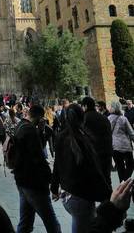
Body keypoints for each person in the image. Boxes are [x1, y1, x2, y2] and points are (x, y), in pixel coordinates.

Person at [51, 103, 111, 233]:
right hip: (81, 196)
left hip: (66, 194)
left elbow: (57, 164)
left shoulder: (61, 137)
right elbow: (94, 170)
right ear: (82, 118)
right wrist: (108, 193)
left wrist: (54, 188)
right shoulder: (84, 139)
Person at [13, 104, 61, 233]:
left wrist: (40, 131)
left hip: (21, 180)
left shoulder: (20, 126)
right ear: (40, 117)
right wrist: (50, 180)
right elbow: (38, 158)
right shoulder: (30, 130)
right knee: (51, 222)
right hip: (33, 182)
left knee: (26, 221)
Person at [81, 96, 113, 185]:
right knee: (107, 178)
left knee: (98, 180)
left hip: (95, 154)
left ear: (86, 106)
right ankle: (110, 197)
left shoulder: (85, 118)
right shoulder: (103, 117)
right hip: (107, 152)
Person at [108, 100, 134, 182]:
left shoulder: (108, 119)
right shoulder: (123, 118)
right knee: (131, 165)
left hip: (114, 146)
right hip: (126, 146)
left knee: (120, 167)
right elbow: (131, 133)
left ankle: (122, 184)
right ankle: (126, 180)